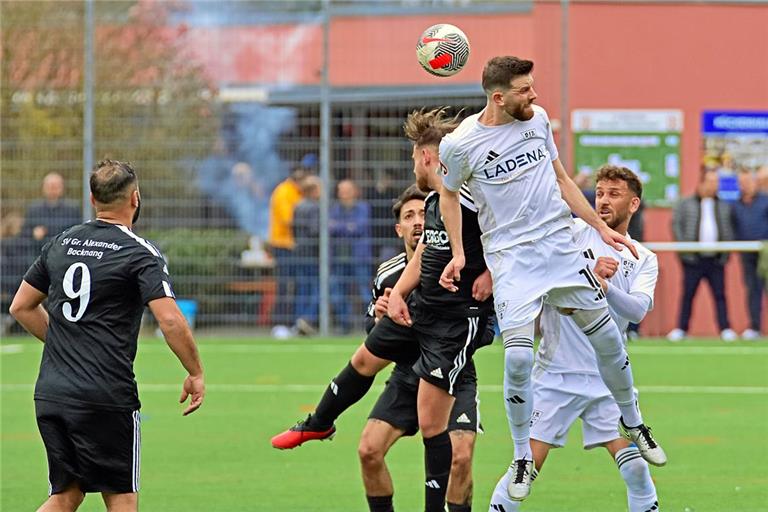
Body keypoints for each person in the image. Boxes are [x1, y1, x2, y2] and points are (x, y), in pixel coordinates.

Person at [437, 56, 664, 501]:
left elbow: (561, 180)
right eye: (525, 89)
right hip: (513, 259)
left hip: (560, 248)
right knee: (518, 360)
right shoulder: (460, 145)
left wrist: (599, 228)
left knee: (609, 343)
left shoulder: (538, 120)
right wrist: (462, 253)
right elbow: (447, 195)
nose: (535, 96)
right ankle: (522, 455)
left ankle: (635, 421)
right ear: (499, 97)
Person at [272, 109, 495, 512]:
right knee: (364, 360)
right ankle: (319, 421)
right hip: (420, 323)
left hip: (452, 323)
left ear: (427, 157)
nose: (412, 167)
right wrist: (395, 297)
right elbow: (427, 252)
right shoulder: (433, 205)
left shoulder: (471, 193)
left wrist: (492, 274)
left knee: (438, 433)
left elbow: (513, 235)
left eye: (413, 158)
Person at [9, 160, 205, 512]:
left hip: (52, 391)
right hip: (105, 395)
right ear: (135, 198)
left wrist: (66, 344)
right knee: (122, 496)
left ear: (91, 199)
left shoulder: (61, 242)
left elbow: (21, 306)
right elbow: (171, 321)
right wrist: (195, 371)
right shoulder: (139, 252)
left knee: (66, 495)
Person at [488, 165, 660, 512]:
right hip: (555, 375)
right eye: (600, 193)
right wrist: (588, 280)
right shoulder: (568, 235)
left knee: (638, 468)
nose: (604, 200)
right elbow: (545, 287)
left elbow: (637, 311)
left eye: (614, 194)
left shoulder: (643, 257)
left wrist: (605, 287)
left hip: (606, 379)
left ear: (634, 204)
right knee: (525, 469)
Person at [360, 184, 486, 512]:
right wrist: (379, 316)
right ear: (398, 227)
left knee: (461, 457)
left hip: (452, 374)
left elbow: (480, 321)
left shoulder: (458, 265)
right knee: (368, 451)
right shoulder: (388, 274)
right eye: (409, 215)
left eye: (422, 214)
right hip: (407, 375)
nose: (418, 221)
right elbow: (373, 337)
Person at [667, 168, 737, 342]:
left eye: (716, 182)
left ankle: (725, 329)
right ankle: (681, 329)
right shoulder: (685, 203)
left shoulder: (724, 206)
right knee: (688, 294)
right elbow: (677, 226)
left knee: (720, 295)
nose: (714, 186)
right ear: (702, 182)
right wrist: (685, 250)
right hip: (693, 259)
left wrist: (725, 253)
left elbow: (729, 228)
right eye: (711, 181)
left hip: (716, 258)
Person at [330, 179, 373, 333]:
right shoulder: (334, 209)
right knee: (338, 291)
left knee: (364, 291)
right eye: (342, 191)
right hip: (339, 256)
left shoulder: (363, 207)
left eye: (347, 191)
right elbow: (330, 227)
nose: (344, 194)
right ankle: (344, 324)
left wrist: (340, 227)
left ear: (355, 192)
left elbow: (360, 227)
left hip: (359, 256)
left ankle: (369, 323)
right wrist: (348, 227)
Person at [731, 170, 768, 340]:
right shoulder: (736, 205)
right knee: (753, 290)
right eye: (742, 182)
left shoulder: (765, 201)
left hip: (765, 254)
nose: (745, 185)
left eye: (747, 182)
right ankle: (755, 327)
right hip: (747, 254)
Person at [268, 165, 306, 327]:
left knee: (295, 284)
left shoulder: (296, 192)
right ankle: (281, 322)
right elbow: (287, 219)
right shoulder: (284, 192)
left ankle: (292, 321)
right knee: (285, 284)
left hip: (292, 245)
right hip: (284, 245)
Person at [292, 175, 322, 334]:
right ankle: (308, 318)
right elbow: (315, 230)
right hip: (311, 251)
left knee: (302, 287)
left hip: (300, 250)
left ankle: (298, 319)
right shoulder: (314, 207)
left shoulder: (298, 206)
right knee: (316, 286)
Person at [23, 172, 81, 252]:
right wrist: (33, 234)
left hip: (64, 253)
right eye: (50, 186)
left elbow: (79, 233)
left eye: (56, 186)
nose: (52, 190)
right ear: (43, 187)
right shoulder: (34, 209)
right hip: (39, 254)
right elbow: (23, 234)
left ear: (62, 188)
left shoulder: (72, 209)